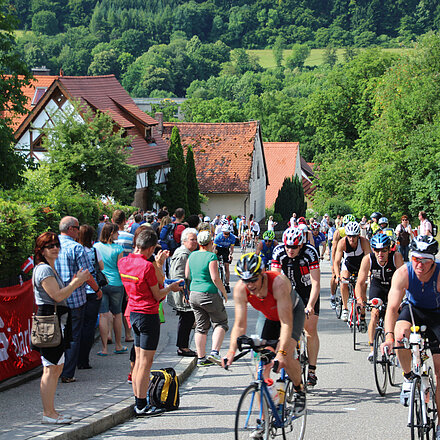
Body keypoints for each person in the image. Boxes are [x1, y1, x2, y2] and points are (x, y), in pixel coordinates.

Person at [224, 253, 306, 416]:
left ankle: (299, 390)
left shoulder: (278, 283)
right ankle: (264, 421)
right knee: (260, 368)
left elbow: (286, 323)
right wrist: (231, 351)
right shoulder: (241, 289)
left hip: (291, 314)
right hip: (269, 316)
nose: (250, 285)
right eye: (246, 281)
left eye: (254, 280)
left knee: (286, 356)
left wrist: (281, 353)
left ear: (262, 274)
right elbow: (239, 324)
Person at [118, 229, 183, 416]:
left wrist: (158, 264)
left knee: (138, 362)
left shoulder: (123, 262)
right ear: (151, 247)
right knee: (146, 364)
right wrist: (171, 287)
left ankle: (138, 400)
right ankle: (141, 404)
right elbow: (157, 294)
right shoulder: (147, 267)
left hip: (133, 312)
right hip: (148, 315)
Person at [381, 236, 440, 434]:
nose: (420, 265)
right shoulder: (403, 273)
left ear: (433, 260)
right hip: (413, 310)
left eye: (425, 261)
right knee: (400, 335)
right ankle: (408, 377)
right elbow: (392, 308)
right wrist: (389, 338)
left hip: (437, 314)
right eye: (416, 260)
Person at [33, 232, 90, 424]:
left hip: (56, 319)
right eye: (50, 246)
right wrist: (77, 282)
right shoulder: (44, 270)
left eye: (56, 244)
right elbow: (56, 296)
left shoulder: (50, 268)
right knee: (51, 367)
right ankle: (48, 413)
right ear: (41, 250)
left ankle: (51, 412)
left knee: (55, 366)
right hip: (49, 320)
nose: (55, 248)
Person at [271, 227, 321, 387]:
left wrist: (310, 305)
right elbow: (274, 280)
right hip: (289, 291)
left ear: (301, 245)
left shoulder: (310, 252)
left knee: (310, 329)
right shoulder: (279, 251)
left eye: (294, 247)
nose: (290, 250)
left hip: (307, 291)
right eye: (287, 246)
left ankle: (312, 370)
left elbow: (316, 283)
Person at [55, 216, 100, 383]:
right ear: (71, 229)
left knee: (57, 335)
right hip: (75, 299)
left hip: (55, 298)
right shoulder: (76, 248)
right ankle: (67, 372)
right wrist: (97, 289)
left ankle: (56, 370)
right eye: (77, 227)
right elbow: (86, 274)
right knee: (73, 336)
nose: (79, 231)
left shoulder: (52, 246)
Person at [355, 233, 404, 361]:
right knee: (375, 313)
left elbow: (405, 281)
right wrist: (360, 300)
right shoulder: (368, 259)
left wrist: (400, 300)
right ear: (373, 250)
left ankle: (392, 345)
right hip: (377, 288)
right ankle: (372, 349)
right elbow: (360, 282)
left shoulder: (396, 257)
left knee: (394, 314)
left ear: (389, 249)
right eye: (376, 250)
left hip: (394, 287)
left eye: (384, 250)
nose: (380, 253)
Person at [186, 230, 228, 367]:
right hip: (209, 293)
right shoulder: (211, 257)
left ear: (198, 243)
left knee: (201, 326)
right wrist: (224, 292)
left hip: (194, 294)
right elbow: (215, 277)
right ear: (210, 243)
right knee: (221, 322)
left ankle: (201, 358)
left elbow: (187, 274)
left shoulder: (192, 255)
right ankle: (215, 352)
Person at [94, 223, 126, 356]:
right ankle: (118, 345)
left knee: (103, 314)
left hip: (101, 283)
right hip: (116, 283)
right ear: (111, 233)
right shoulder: (118, 249)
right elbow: (121, 268)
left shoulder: (96, 247)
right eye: (116, 232)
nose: (118, 235)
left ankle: (104, 348)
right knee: (117, 314)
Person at [168, 228, 198, 357]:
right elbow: (178, 276)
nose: (195, 242)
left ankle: (183, 346)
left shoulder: (186, 252)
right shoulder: (183, 254)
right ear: (184, 241)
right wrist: (186, 293)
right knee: (186, 319)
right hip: (182, 294)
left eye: (196, 239)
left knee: (187, 319)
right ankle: (183, 347)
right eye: (192, 240)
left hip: (184, 292)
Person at [77, 225, 103, 370]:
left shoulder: (75, 250)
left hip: (78, 290)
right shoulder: (94, 250)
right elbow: (101, 267)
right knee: (89, 326)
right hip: (92, 291)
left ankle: (74, 358)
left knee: (76, 326)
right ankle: (84, 360)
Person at [333, 221, 371, 322]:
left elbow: (370, 260)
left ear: (358, 235)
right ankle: (345, 308)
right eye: (349, 236)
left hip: (361, 265)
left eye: (354, 236)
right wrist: (337, 276)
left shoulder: (364, 242)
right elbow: (336, 261)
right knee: (344, 281)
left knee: (362, 289)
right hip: (348, 265)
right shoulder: (342, 243)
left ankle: (362, 316)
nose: (351, 239)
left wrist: (369, 274)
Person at [213, 224, 236, 293]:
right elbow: (214, 247)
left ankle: (227, 284)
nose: (226, 235)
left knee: (227, 266)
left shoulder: (232, 237)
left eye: (227, 233)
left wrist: (230, 254)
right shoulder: (218, 236)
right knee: (215, 263)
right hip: (218, 249)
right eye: (225, 233)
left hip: (226, 249)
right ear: (222, 232)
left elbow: (231, 249)